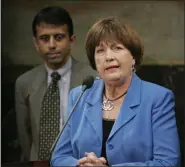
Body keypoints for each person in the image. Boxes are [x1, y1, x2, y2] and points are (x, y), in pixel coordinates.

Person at [50, 17, 180, 166]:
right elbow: (59, 157)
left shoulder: (158, 98)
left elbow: (168, 162)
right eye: (100, 51)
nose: (109, 57)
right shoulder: (79, 95)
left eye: (117, 48)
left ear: (133, 57)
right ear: (94, 62)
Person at [15, 6, 96, 161]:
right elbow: (24, 136)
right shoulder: (24, 83)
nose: (52, 45)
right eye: (45, 39)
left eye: (58, 37)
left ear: (71, 40)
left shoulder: (93, 78)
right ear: (36, 43)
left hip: (79, 162)